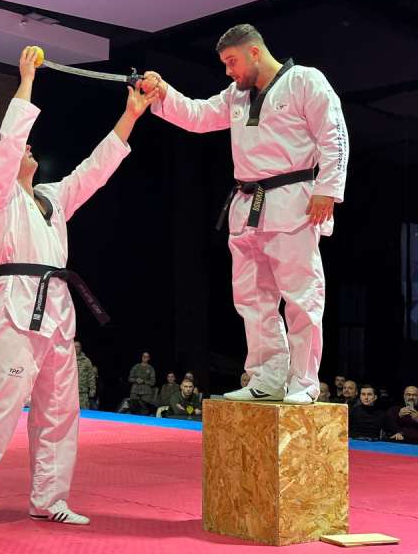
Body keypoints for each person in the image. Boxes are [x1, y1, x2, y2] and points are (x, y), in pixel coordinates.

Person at [0, 47, 154, 533]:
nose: (27, 149)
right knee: (1, 406)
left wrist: (130, 116)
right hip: (19, 305)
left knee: (59, 411)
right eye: (18, 149)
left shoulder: (52, 198)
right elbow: (11, 141)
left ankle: (49, 497)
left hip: (57, 307)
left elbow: (95, 170)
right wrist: (27, 79)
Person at [140, 24, 348, 404]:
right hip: (248, 203)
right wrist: (164, 92)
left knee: (301, 297)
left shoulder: (304, 81)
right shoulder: (236, 95)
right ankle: (267, 377)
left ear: (254, 52)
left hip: (294, 200)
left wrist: (327, 190)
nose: (228, 71)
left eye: (231, 61)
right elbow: (198, 115)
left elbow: (334, 135)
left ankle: (304, 382)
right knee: (253, 299)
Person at [75, 340, 96, 410]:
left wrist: (92, 390)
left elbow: (91, 376)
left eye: (78, 347)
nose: (76, 348)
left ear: (81, 348)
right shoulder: (68, 360)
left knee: (84, 412)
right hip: (70, 393)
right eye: (74, 347)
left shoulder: (86, 361)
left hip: (83, 393)